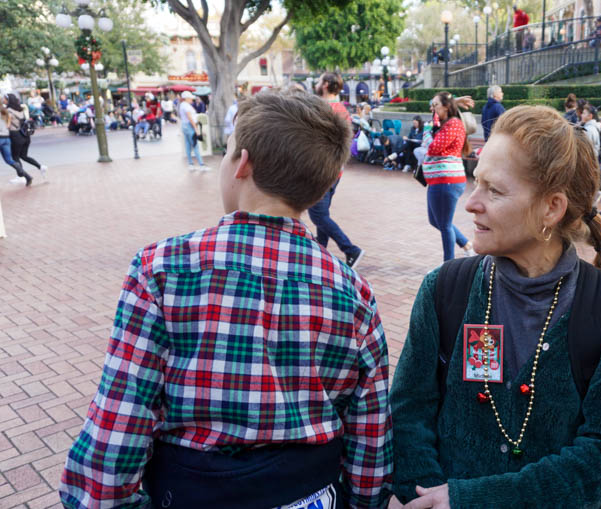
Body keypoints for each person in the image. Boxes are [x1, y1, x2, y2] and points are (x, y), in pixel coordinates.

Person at [59, 91, 393, 509]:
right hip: (310, 490)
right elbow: (370, 429)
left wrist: (104, 499)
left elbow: (123, 414)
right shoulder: (352, 292)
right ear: (323, 184)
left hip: (192, 490)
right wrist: (365, 501)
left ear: (243, 163)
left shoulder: (163, 269)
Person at [390, 105, 601, 509]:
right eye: (476, 181)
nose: (471, 203)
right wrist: (425, 495)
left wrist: (472, 500)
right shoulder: (443, 290)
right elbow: (409, 411)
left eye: (494, 190)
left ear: (552, 207)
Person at [308, 72, 365, 268]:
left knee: (318, 215)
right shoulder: (341, 108)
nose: (316, 83)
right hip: (335, 168)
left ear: (325, 85)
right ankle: (320, 254)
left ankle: (350, 250)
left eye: (318, 80)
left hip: (323, 167)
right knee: (322, 214)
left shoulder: (321, 108)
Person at [423, 92, 475, 261]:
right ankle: (466, 245)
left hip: (447, 181)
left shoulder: (453, 124)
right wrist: (455, 101)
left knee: (444, 225)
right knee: (435, 220)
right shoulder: (445, 123)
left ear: (445, 107)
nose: (432, 108)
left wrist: (426, 130)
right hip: (439, 180)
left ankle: (449, 265)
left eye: (435, 105)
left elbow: (432, 147)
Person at [5, 93, 48, 181]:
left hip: (16, 136)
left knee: (15, 157)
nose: (3, 100)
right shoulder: (21, 109)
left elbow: (7, 125)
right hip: (25, 135)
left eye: (4, 99)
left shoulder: (8, 111)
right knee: (24, 156)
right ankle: (41, 167)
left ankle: (20, 177)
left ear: (8, 100)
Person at [0, 99, 31, 186]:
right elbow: (8, 125)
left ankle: (24, 175)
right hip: (6, 138)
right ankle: (26, 176)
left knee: (10, 160)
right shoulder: (5, 111)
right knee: (10, 160)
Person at [178, 91, 208, 171]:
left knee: (188, 145)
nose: (192, 99)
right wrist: (196, 129)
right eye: (190, 98)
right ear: (187, 98)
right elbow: (190, 117)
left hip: (185, 126)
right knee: (195, 145)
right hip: (189, 126)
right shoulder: (186, 106)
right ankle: (201, 164)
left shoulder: (183, 105)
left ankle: (190, 164)